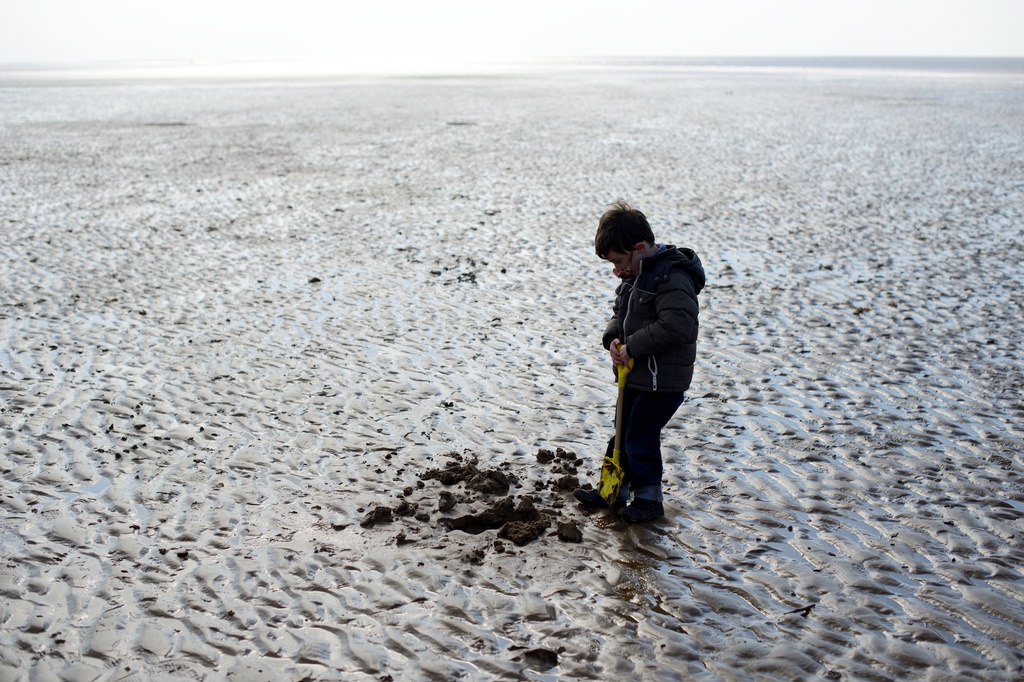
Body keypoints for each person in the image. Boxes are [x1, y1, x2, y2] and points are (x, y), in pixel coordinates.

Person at [574, 200, 705, 523]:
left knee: (639, 439)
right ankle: (612, 491)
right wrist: (613, 339)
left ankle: (649, 500)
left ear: (640, 248)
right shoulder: (633, 276)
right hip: (633, 375)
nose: (617, 270)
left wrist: (632, 347)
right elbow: (619, 314)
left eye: (619, 261)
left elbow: (677, 325)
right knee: (621, 435)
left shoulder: (672, 277)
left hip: (662, 381)